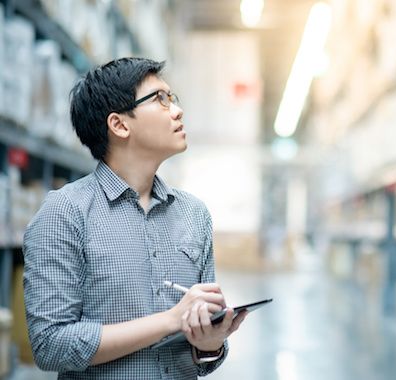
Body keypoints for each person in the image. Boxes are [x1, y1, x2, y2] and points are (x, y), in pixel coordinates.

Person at [23, 57, 246, 379]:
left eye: (173, 99)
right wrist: (171, 320)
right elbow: (50, 345)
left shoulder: (194, 214)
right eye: (160, 99)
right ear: (120, 125)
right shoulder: (65, 213)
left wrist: (209, 344)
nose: (177, 111)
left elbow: (204, 353)